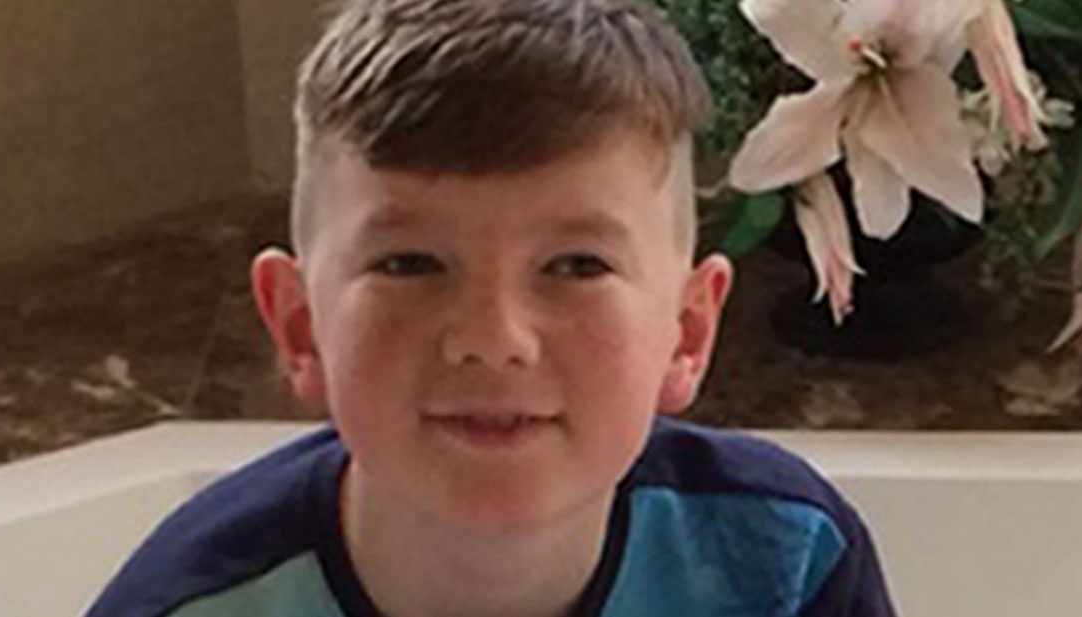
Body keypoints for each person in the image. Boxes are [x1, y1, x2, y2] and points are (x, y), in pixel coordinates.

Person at [85, 1, 896, 615]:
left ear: (685, 333)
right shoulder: (181, 605)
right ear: (301, 329)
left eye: (576, 265)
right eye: (410, 263)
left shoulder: (790, 566)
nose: (491, 338)